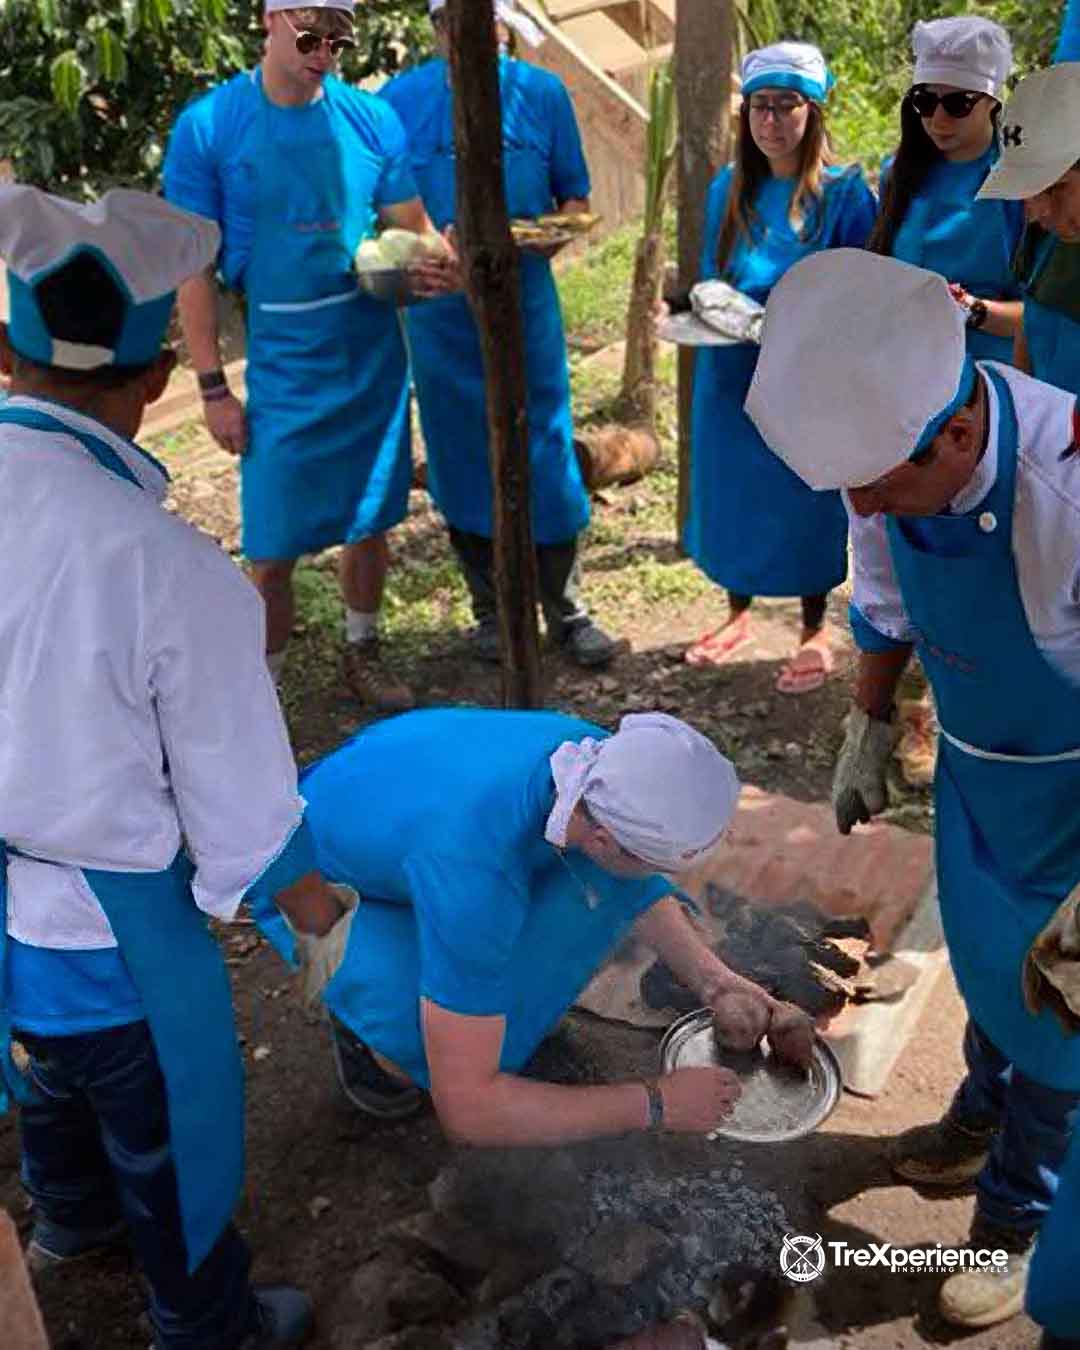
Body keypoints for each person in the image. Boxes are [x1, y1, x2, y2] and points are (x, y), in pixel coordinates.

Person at [0, 187, 357, 1348]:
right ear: (157, 380)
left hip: (7, 906)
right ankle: (204, 1322)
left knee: (44, 1079)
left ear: (2, 353)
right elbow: (244, 807)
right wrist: (319, 915)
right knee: (168, 1128)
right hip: (119, 932)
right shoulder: (172, 571)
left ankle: (66, 1220)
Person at [745, 247, 1080, 1336]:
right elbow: (884, 598)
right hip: (984, 780)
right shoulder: (889, 455)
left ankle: (1017, 1226)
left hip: (1073, 799)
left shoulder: (1067, 487)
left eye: (881, 486)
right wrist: (869, 720)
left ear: (963, 435)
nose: (867, 504)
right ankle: (980, 1117)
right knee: (992, 972)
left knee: (1064, 1011)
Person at [249, 710, 815, 1142]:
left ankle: (470, 1010)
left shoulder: (599, 762)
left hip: (396, 796)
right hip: (311, 873)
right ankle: (366, 1041)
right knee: (428, 1049)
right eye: (658, 863)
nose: (660, 878)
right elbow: (467, 1112)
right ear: (602, 840)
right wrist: (656, 1102)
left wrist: (717, 982)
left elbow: (630, 879)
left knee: (587, 897)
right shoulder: (474, 878)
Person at [164, 0, 449, 709]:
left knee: (373, 520)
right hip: (282, 364)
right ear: (271, 19)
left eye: (339, 39)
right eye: (311, 34)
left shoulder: (370, 119)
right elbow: (192, 269)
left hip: (370, 353)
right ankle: (265, 686)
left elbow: (411, 229)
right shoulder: (210, 126)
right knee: (271, 547)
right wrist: (211, 389)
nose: (325, 51)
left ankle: (364, 649)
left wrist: (438, 262)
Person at [380, 0, 624, 669]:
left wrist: (544, 236)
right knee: (460, 453)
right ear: (437, 29)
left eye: (480, 19)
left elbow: (574, 199)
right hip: (440, 314)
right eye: (450, 22)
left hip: (526, 303)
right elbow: (381, 211)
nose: (466, 34)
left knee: (543, 444)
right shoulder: (400, 101)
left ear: (501, 25)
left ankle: (567, 610)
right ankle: (489, 611)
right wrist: (424, 247)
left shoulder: (541, 94)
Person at [681, 42, 875, 694]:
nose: (771, 121)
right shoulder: (728, 190)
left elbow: (861, 288)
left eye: (786, 106)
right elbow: (714, 280)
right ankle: (736, 612)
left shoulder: (845, 195)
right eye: (760, 107)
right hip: (732, 373)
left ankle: (815, 627)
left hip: (808, 377)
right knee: (733, 492)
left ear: (812, 111)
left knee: (804, 498)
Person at [868, 17, 1022, 789]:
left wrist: (975, 314)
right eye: (924, 101)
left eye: (957, 105)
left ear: (996, 104)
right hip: (910, 396)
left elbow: (1052, 313)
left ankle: (960, 706)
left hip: (996, 403)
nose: (937, 120)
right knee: (912, 547)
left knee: (993, 557)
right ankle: (903, 700)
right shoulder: (905, 175)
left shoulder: (1023, 182)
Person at [978, 33, 1080, 399]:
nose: (1039, 213)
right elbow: (1029, 325)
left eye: (1056, 188)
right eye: (1028, 192)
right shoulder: (1046, 235)